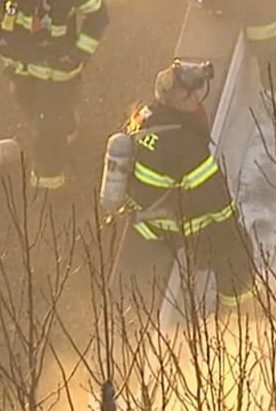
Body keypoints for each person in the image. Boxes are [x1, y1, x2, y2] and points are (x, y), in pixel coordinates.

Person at [104, 59, 257, 317]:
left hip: (142, 214)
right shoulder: (184, 143)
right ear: (179, 102)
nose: (198, 99)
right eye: (193, 95)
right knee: (234, 248)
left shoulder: (144, 115)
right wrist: (231, 225)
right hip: (170, 226)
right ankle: (240, 315)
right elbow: (213, 196)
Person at [0, 0, 109, 189]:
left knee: (46, 129)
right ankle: (69, 129)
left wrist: (78, 54)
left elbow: (98, 15)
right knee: (31, 108)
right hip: (21, 66)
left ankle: (49, 186)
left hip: (58, 69)